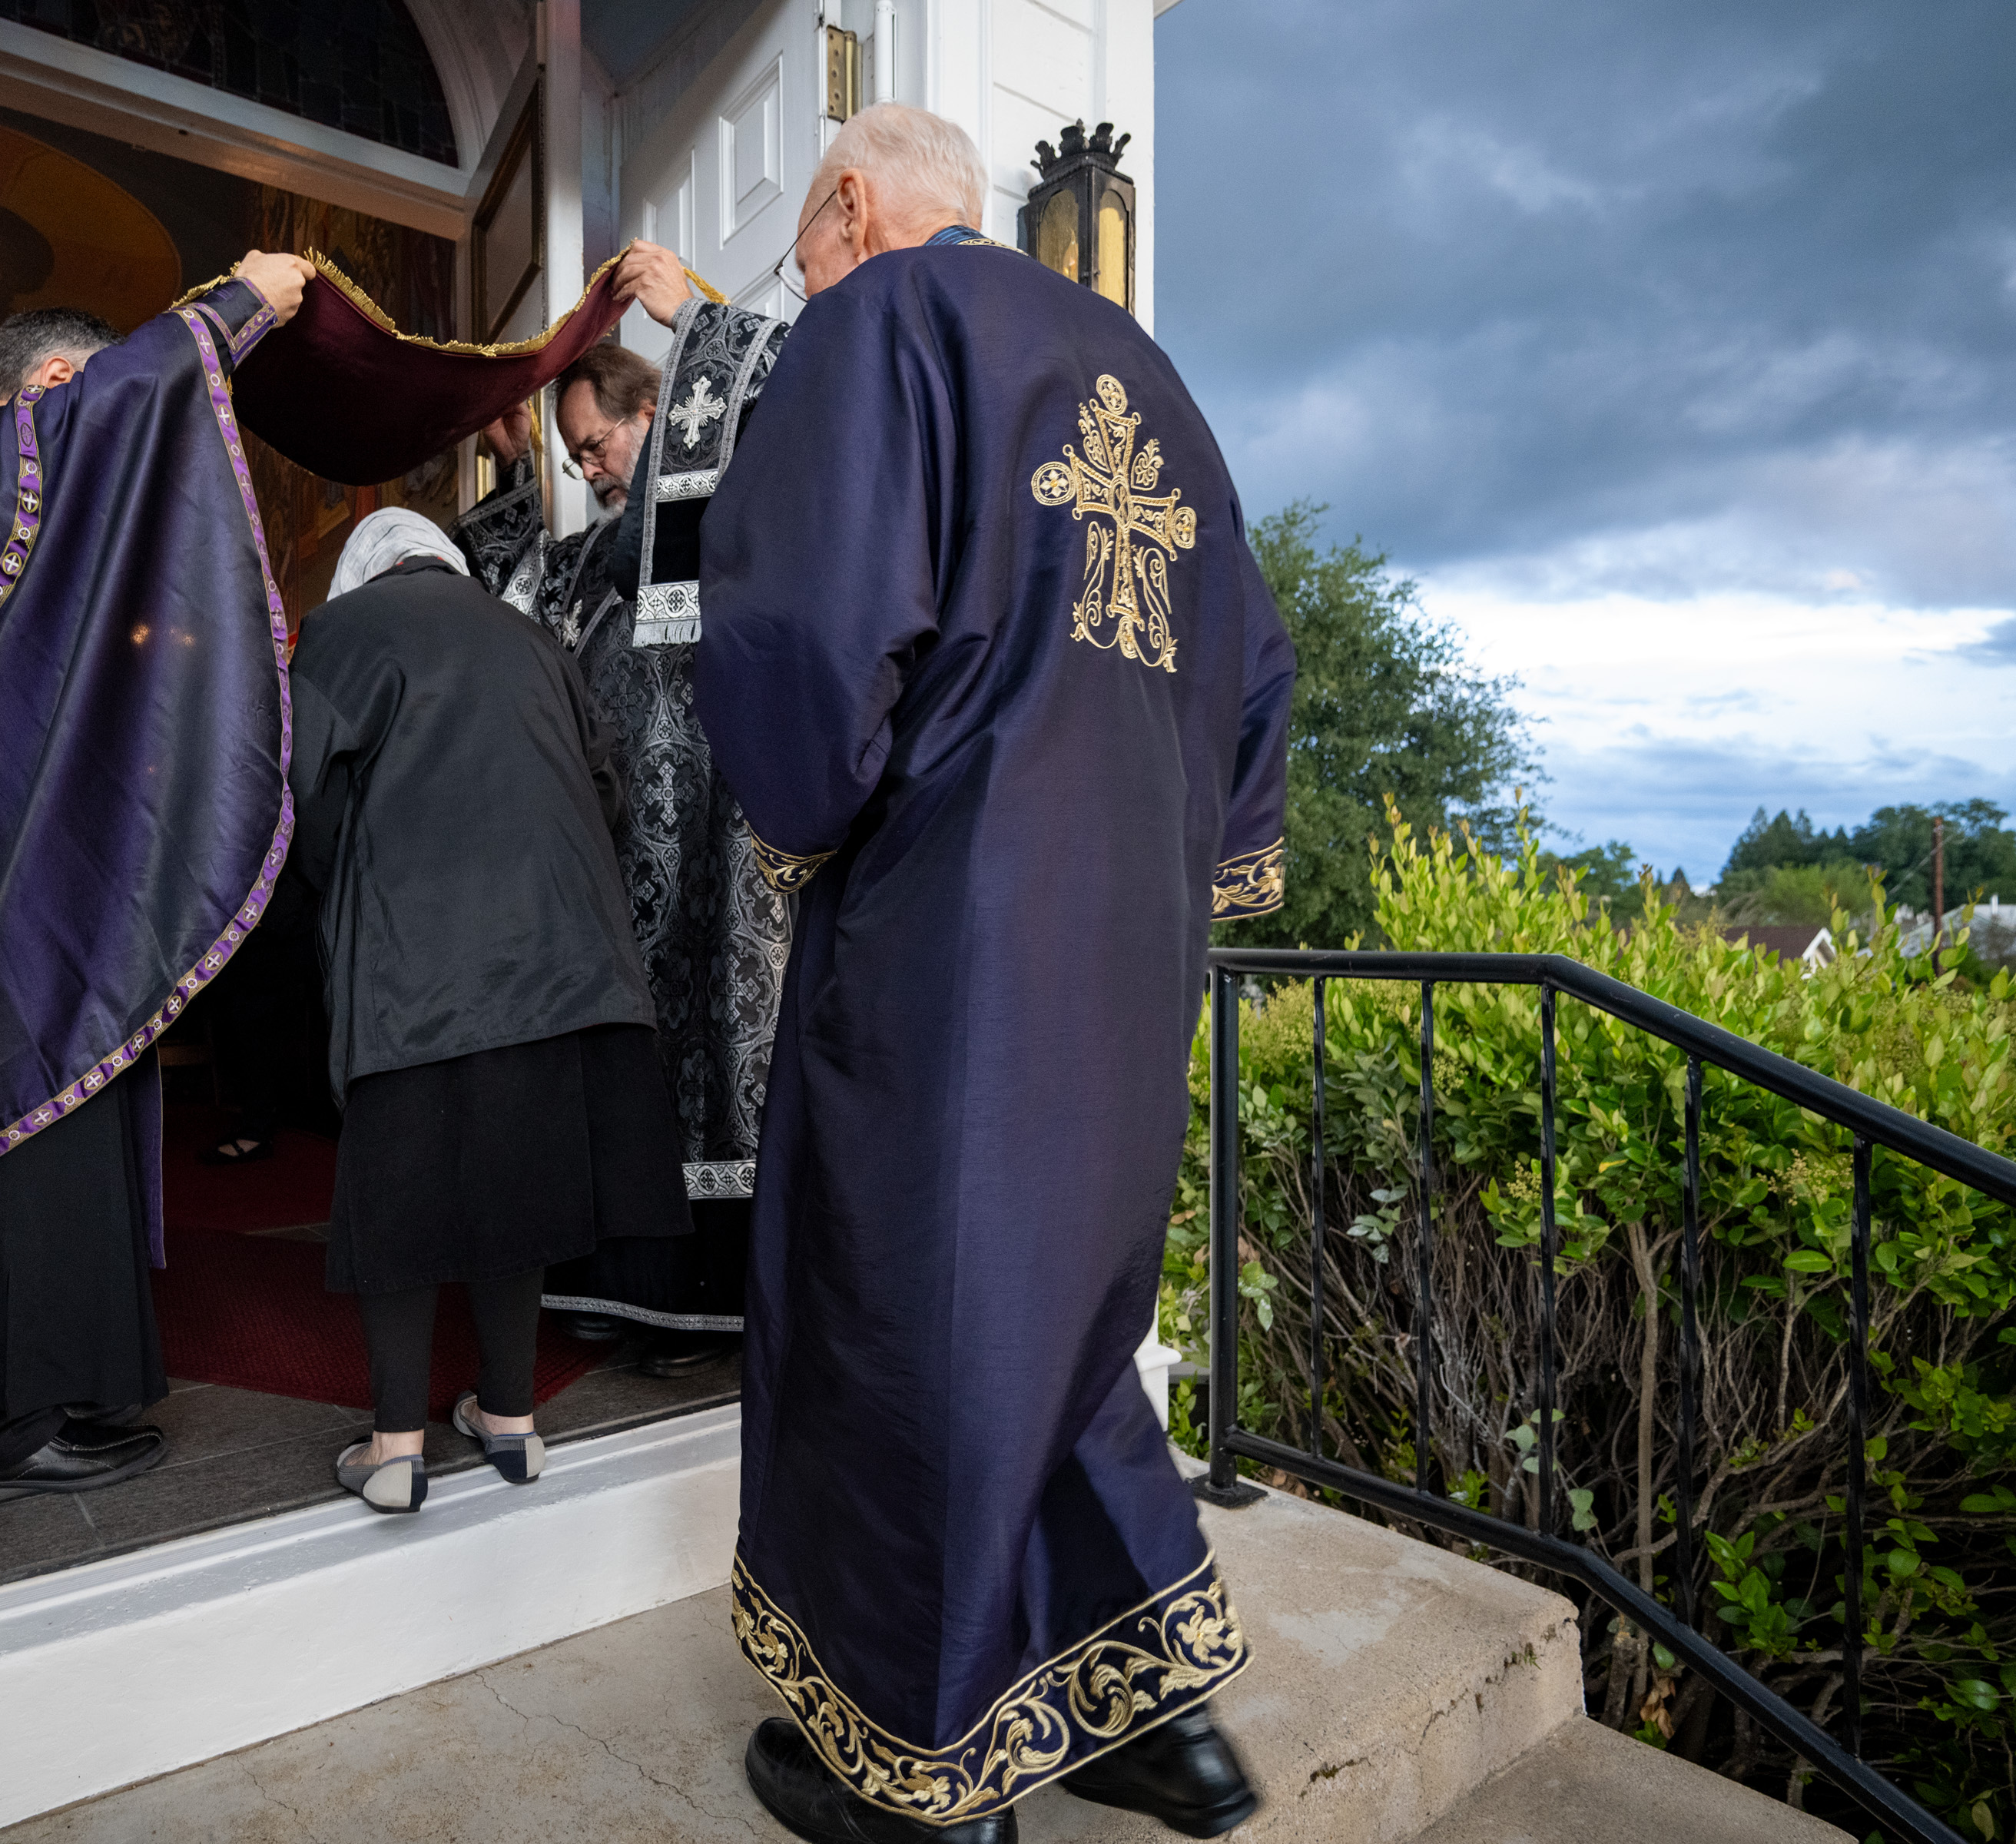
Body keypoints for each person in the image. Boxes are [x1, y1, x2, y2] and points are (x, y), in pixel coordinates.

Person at [696, 104, 1294, 1842]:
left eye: (802, 244)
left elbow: (808, 625)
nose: (800, 279)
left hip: (953, 919)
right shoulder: (1156, 384)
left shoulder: (884, 320)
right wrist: (1198, 865)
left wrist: (808, 819)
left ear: (856, 206)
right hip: (1128, 943)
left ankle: (922, 1768)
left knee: (904, 1312)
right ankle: (1150, 1720)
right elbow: (1257, 671)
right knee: (1060, 1315)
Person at [0, 252, 313, 1506]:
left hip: (47, 851)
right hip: (5, 864)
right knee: (25, 1098)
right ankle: (1, 1421)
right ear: (55, 390)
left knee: (75, 1097)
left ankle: (56, 1391)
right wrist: (239, 305)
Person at [287, 509, 694, 1513]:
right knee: (520, 1183)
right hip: (554, 960)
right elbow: (603, 786)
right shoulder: (532, 636)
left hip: (416, 964)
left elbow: (307, 800)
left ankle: (395, 1452)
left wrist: (335, 900)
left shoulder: (341, 635)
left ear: (365, 571)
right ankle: (510, 1423)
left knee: (404, 1197)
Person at [451, 246, 797, 1375]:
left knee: (712, 1054)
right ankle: (623, 1291)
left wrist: (697, 316)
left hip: (713, 830)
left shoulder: (737, 488)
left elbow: (799, 392)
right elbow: (511, 597)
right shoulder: (599, 548)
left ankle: (713, 1307)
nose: (592, 471)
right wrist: (510, 478)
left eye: (596, 445)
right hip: (615, 862)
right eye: (575, 455)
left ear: (660, 411)